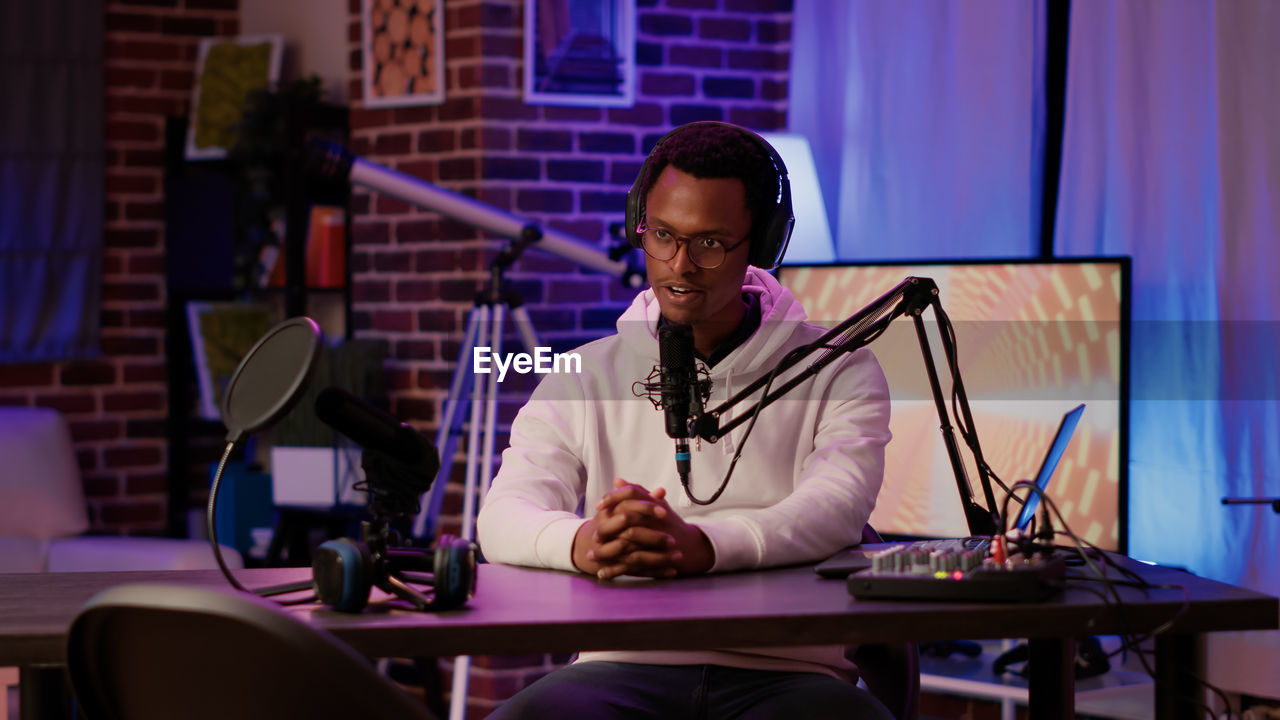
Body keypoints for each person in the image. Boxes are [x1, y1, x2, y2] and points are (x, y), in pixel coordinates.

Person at [476, 121, 894, 719]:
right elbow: (501, 517)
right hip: (616, 668)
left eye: (710, 243)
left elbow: (835, 508)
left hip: (790, 677)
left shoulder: (838, 368)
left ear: (764, 243)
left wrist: (701, 547)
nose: (680, 264)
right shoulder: (581, 375)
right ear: (638, 226)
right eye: (663, 236)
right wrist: (584, 543)